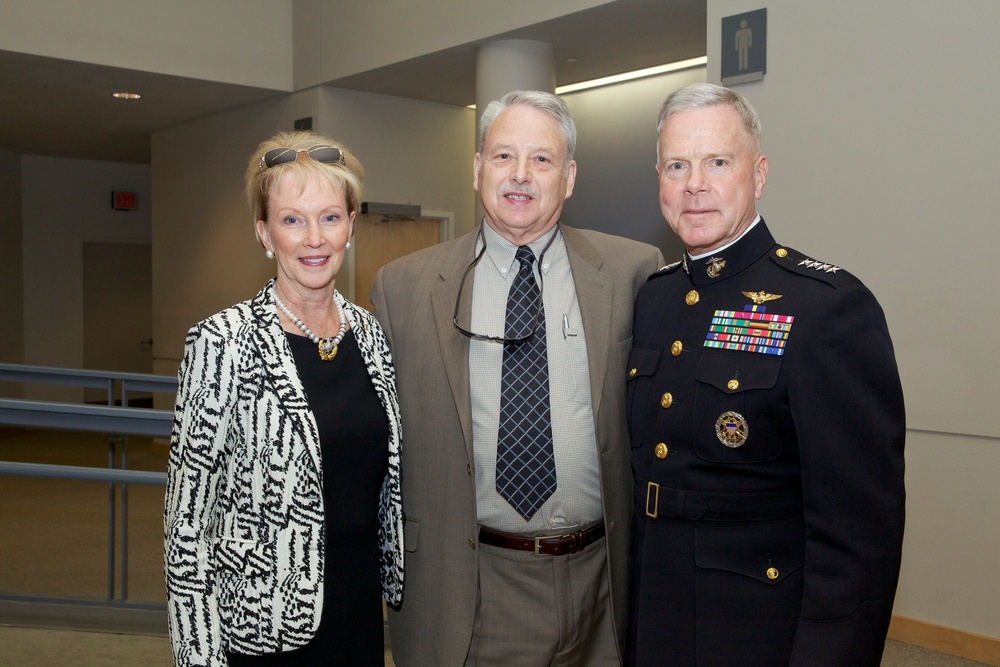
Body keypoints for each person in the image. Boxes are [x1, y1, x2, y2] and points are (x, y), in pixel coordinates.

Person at [371, 90, 663, 666]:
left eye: (543, 159)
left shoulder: (635, 272)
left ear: (570, 176)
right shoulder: (402, 287)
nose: (521, 176)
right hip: (470, 584)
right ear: (478, 168)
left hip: (601, 585)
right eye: (503, 157)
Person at [627, 82, 905, 666]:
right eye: (677, 165)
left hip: (757, 633)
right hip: (656, 619)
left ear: (759, 174)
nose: (694, 184)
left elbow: (858, 539)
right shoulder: (654, 300)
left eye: (717, 162)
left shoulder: (826, 308)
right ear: (658, 177)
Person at [164, 131, 404, 666]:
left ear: (351, 225)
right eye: (292, 220)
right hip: (261, 630)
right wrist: (199, 656)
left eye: (329, 217)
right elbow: (186, 525)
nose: (313, 238)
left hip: (358, 612)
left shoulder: (371, 336)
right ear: (265, 233)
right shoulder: (221, 342)